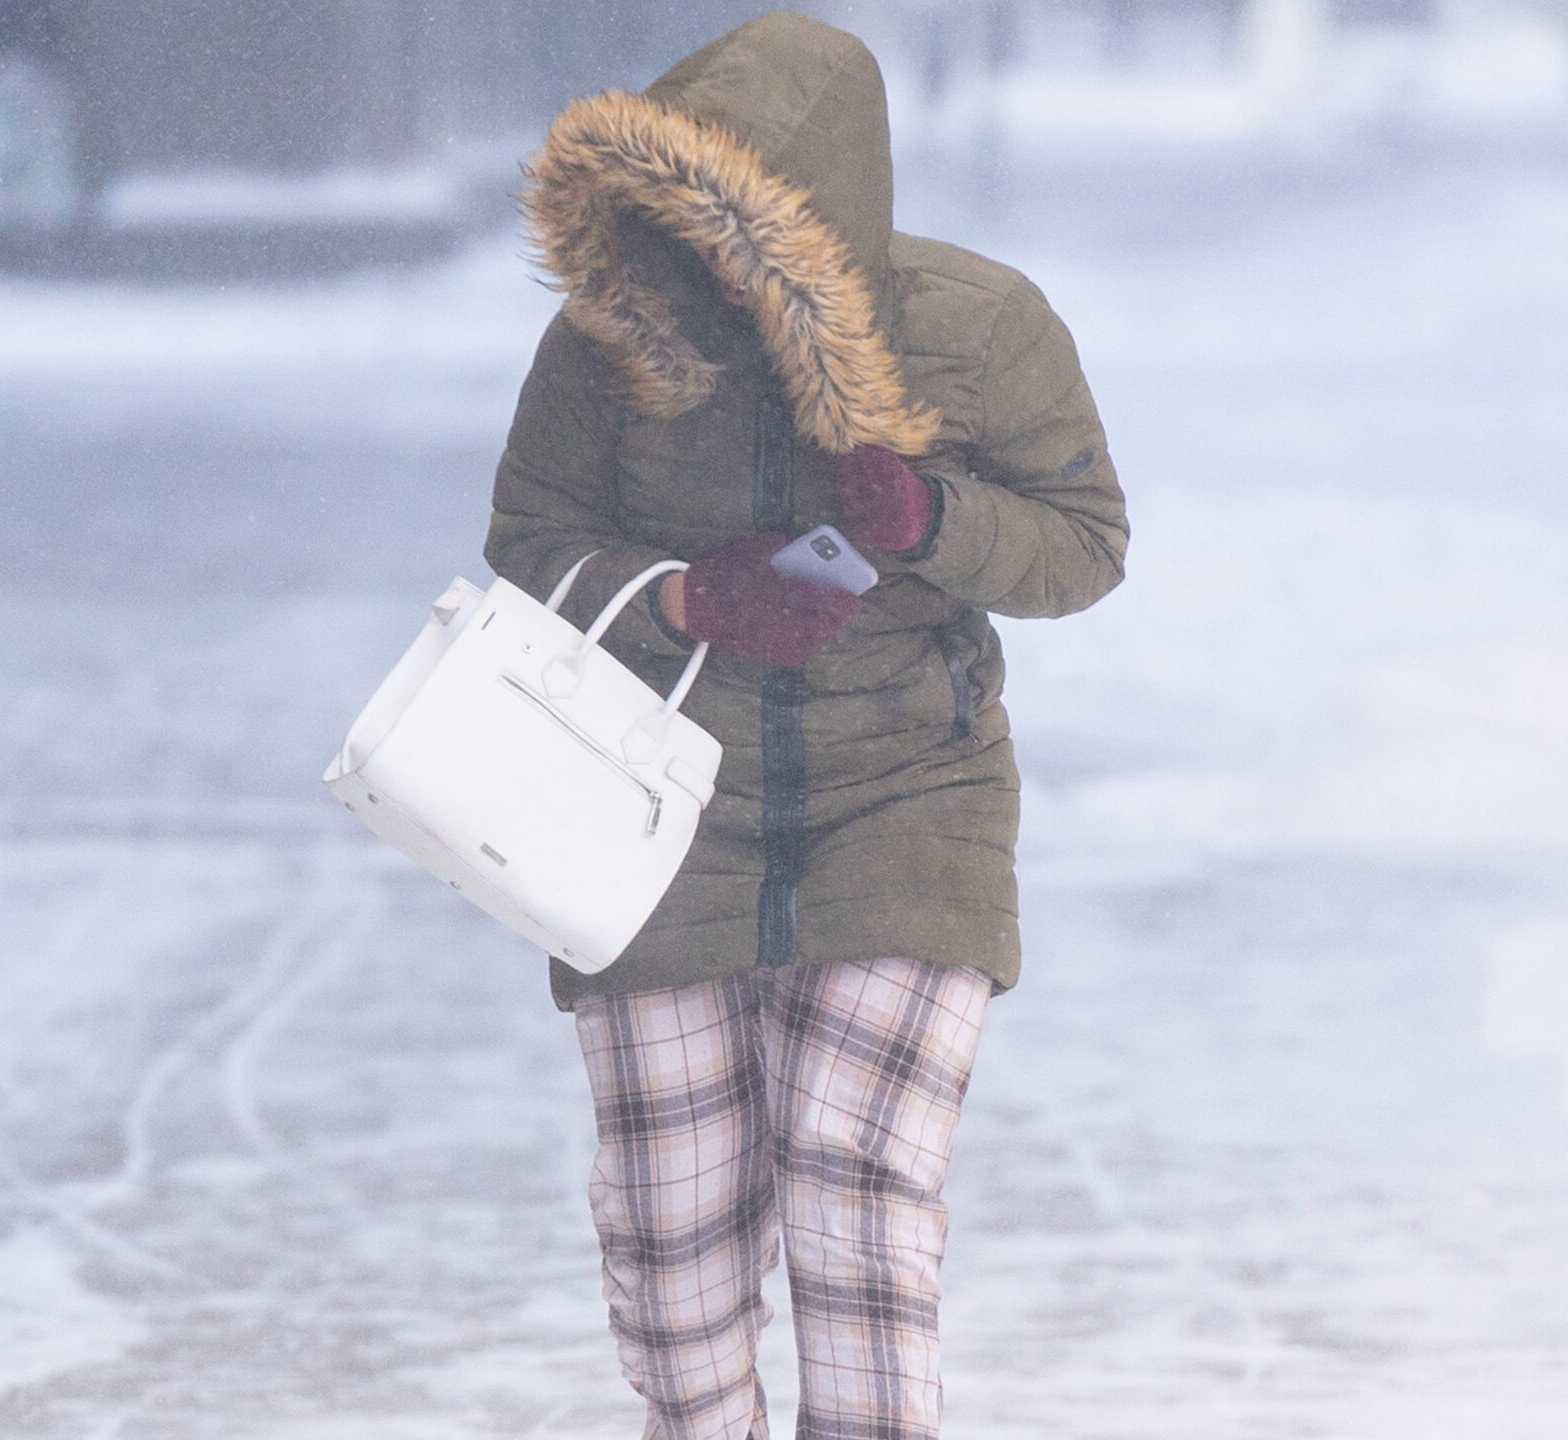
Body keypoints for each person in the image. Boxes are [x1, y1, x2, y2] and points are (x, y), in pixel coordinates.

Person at [480, 14, 1127, 1438]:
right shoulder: (605, 347)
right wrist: (681, 598)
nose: (711, 268)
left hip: (907, 800)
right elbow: (531, 545)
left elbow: (1085, 544)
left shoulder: (977, 329)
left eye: (743, 232)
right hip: (649, 821)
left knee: (858, 1183)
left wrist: (936, 518)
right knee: (673, 1244)